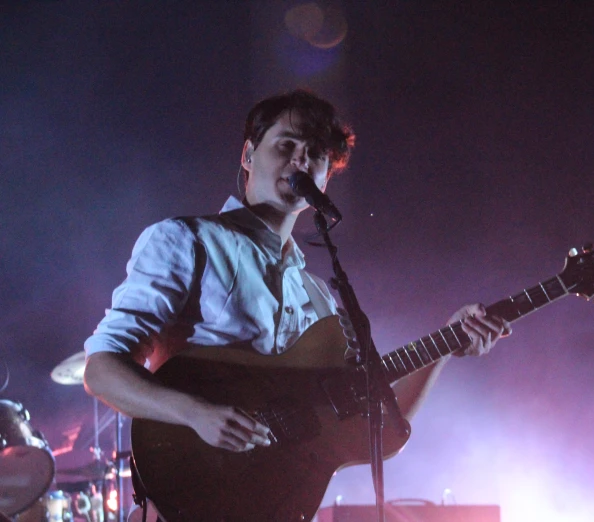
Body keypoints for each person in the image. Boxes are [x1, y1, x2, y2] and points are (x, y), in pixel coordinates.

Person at [83, 89, 510, 487]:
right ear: (249, 155)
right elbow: (101, 368)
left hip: (278, 500)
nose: (300, 161)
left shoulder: (320, 297)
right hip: (195, 490)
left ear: (324, 181)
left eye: (315, 154)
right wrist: (196, 414)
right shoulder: (187, 241)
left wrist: (446, 347)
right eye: (286, 145)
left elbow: (375, 418)